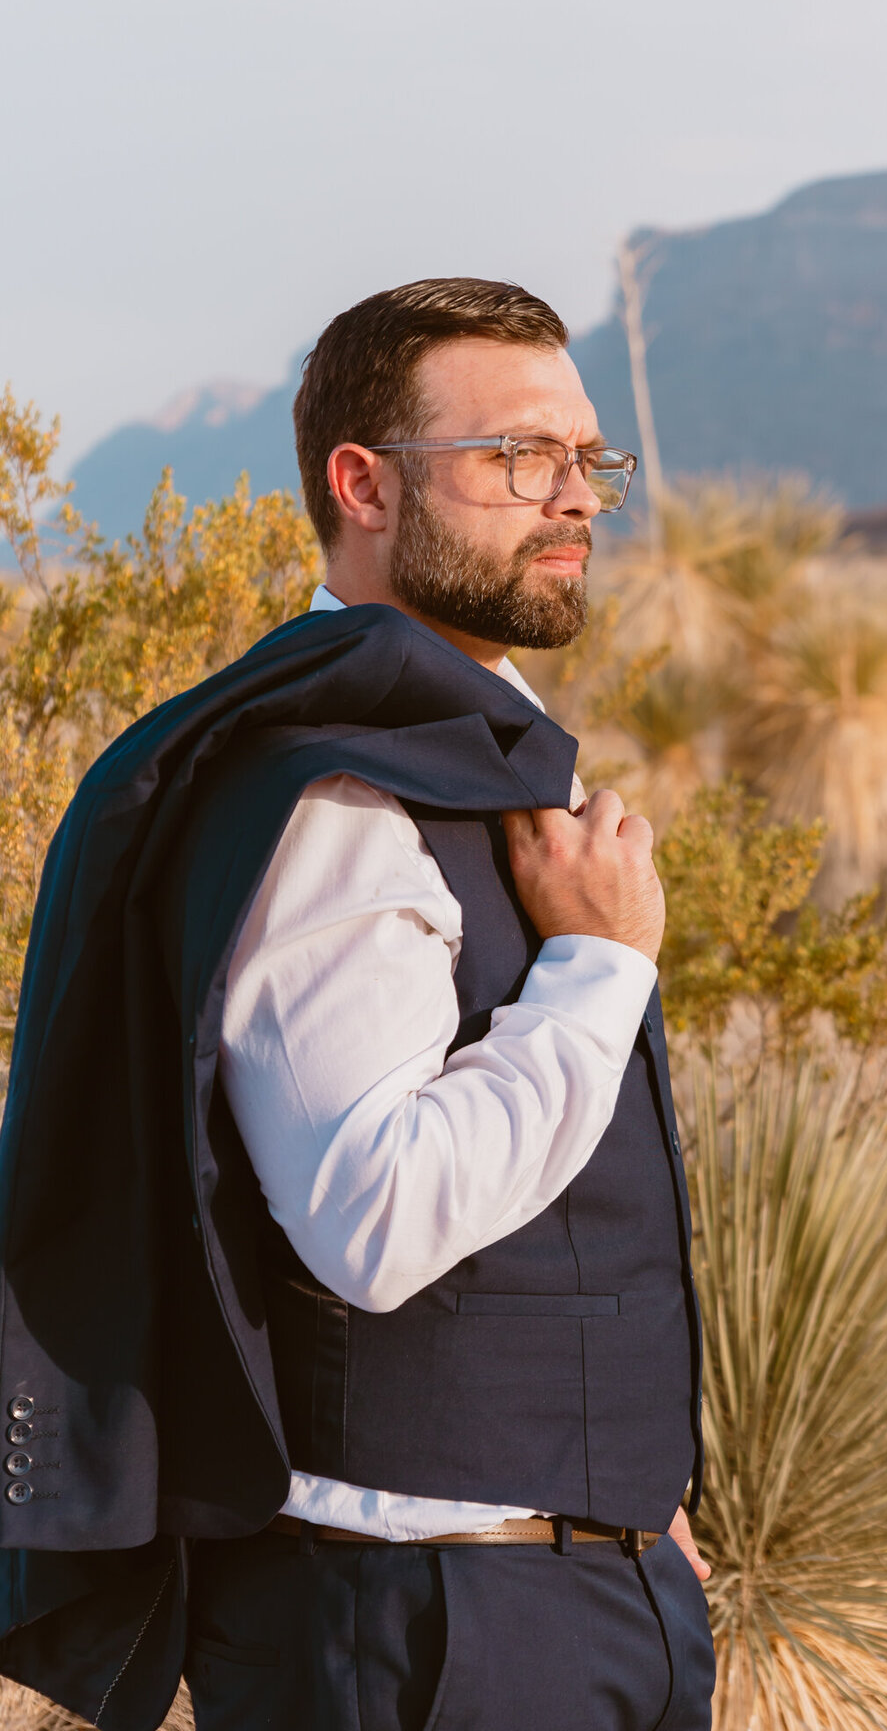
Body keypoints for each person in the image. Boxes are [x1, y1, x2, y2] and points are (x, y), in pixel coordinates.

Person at [0, 280, 714, 1731]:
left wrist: (636, 1526)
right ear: (363, 483)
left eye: (590, 460)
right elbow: (371, 1218)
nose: (574, 496)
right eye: (520, 456)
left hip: (569, 1594)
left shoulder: (469, 753)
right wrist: (601, 967)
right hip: (428, 1634)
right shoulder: (335, 797)